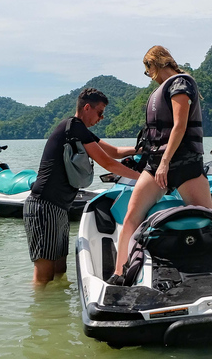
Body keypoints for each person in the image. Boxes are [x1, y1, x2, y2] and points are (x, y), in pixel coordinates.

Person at [109, 46, 212, 284]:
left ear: (154, 64)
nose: (150, 77)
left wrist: (166, 162)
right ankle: (119, 274)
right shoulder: (164, 90)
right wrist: (158, 163)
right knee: (131, 216)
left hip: (183, 165)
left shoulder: (180, 85)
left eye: (149, 71)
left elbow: (180, 125)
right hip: (156, 166)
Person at [24, 88, 141, 287]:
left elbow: (115, 152)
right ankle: (40, 313)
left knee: (60, 271)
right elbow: (109, 164)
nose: (102, 118)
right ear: (87, 107)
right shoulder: (73, 126)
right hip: (43, 205)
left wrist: (142, 149)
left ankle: (56, 315)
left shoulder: (80, 131)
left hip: (59, 208)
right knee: (44, 276)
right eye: (100, 112)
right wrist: (145, 179)